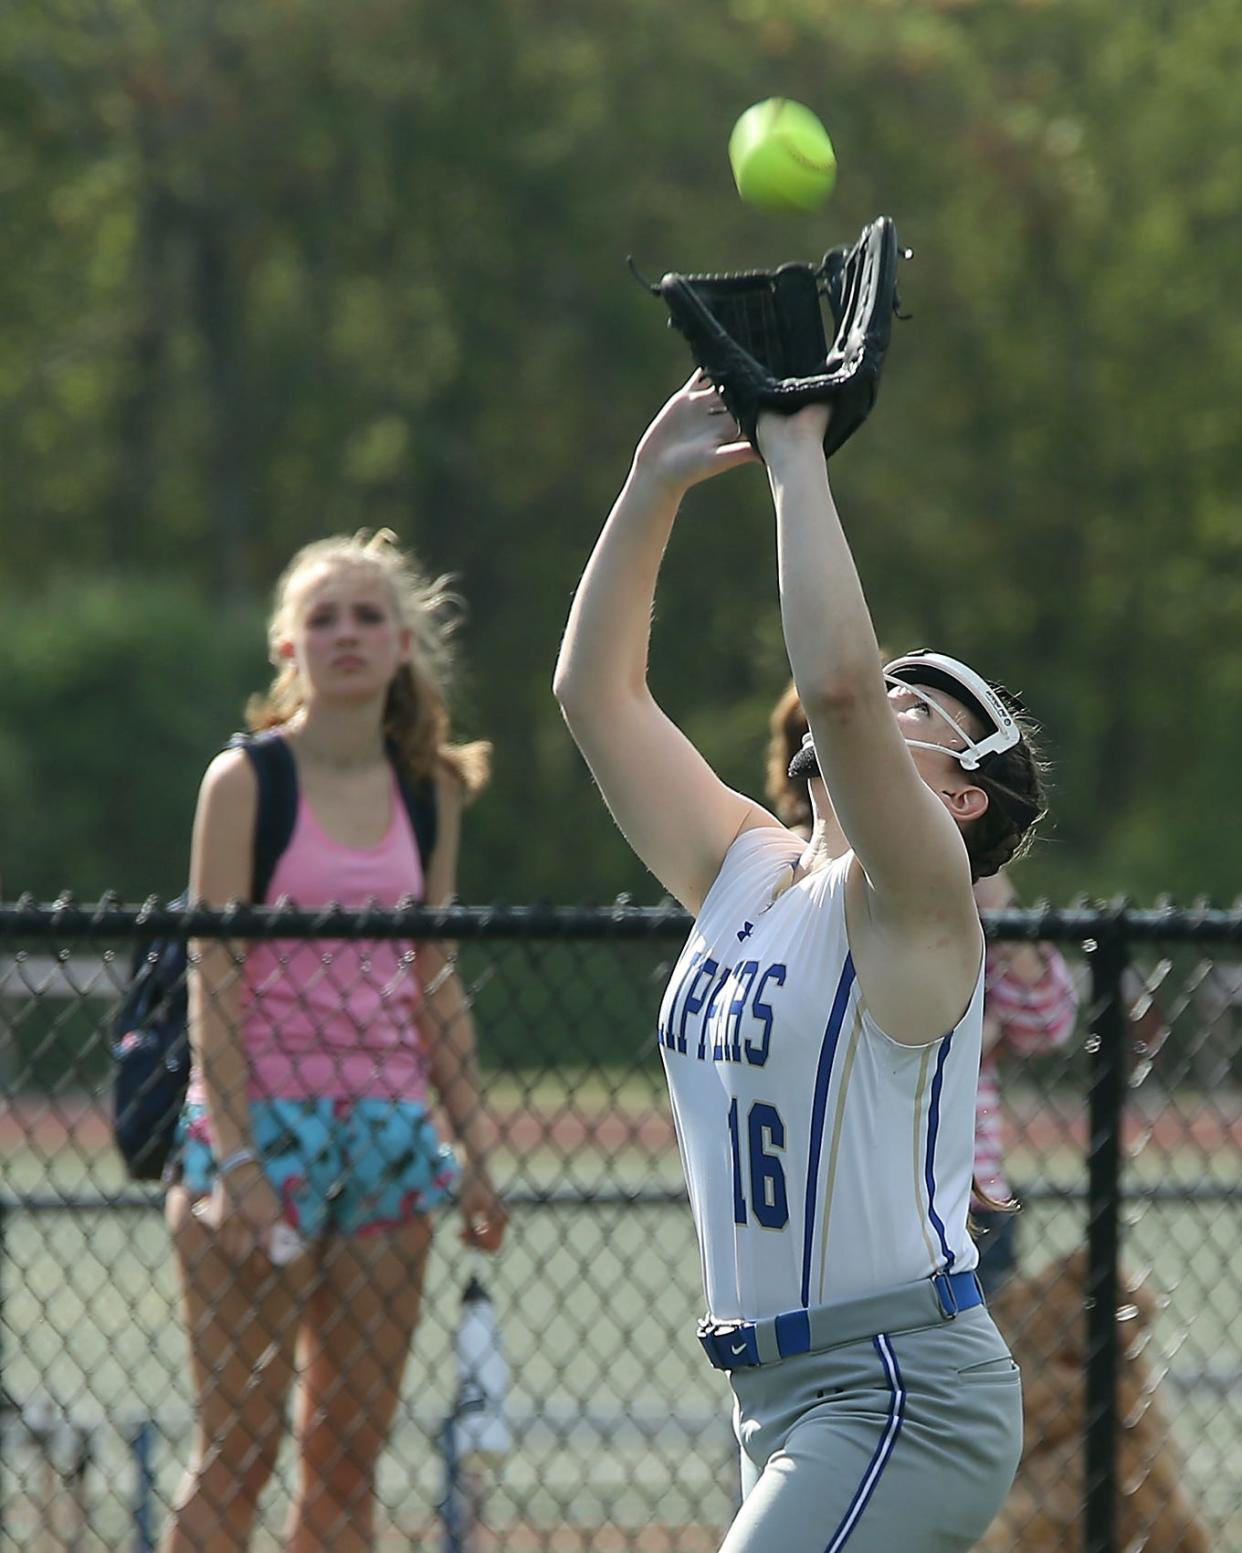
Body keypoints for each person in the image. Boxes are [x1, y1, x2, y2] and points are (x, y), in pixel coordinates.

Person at [554, 373, 1044, 1553]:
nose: (878, 695)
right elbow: (594, 693)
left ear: (964, 792)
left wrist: (795, 452)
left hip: (898, 1387)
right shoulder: (746, 864)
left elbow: (831, 685)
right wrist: (651, 482)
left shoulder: (918, 900)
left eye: (913, 703)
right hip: (774, 1392)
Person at [161, 530, 507, 1553]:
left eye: (366, 616)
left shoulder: (429, 786)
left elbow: (432, 973)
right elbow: (210, 970)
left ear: (403, 643)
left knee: (348, 1452)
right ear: (287, 649)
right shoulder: (246, 780)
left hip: (393, 1138)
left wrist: (476, 1148)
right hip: (260, 1130)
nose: (345, 634)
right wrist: (235, 1158)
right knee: (239, 1451)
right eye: (323, 617)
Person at [766, 680, 1079, 1297]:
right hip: (811, 1204)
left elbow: (1049, 1020)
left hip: (958, 1201)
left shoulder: (940, 890)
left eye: (908, 709)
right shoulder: (775, 875)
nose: (868, 716)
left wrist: (974, 857)